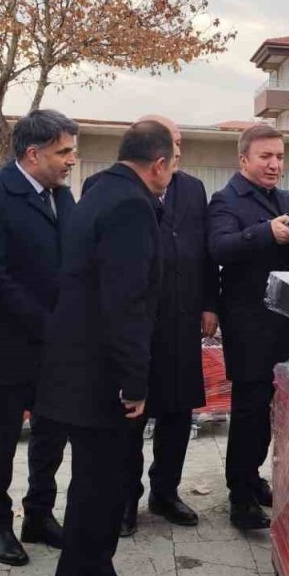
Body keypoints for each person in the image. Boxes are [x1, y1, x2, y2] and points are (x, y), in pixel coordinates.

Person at [33, 120, 174, 576]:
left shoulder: (100, 190)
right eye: (173, 162)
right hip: (100, 376)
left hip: (80, 365)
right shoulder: (131, 206)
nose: (171, 172)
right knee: (97, 487)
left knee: (108, 481)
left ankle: (99, 571)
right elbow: (125, 303)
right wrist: (133, 382)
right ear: (158, 164)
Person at [0, 109, 78, 566]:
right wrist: (46, 323)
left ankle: (40, 513)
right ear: (33, 154)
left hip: (58, 347)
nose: (71, 160)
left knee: (52, 433)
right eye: (63, 151)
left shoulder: (63, 197)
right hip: (10, 343)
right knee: (1, 437)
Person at [208, 124, 289, 530]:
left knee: (279, 410)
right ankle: (240, 497)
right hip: (249, 324)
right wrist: (266, 232)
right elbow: (219, 247)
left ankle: (255, 477)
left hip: (288, 322)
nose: (275, 164)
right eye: (265, 157)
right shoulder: (225, 200)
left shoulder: (284, 199)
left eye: (279, 156)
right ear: (244, 159)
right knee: (250, 411)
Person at [112, 114, 217, 537]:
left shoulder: (192, 189)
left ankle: (166, 491)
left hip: (182, 317)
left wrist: (210, 304)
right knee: (131, 418)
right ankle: (124, 499)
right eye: (167, 144)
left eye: (179, 143)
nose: (175, 152)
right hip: (140, 324)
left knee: (177, 414)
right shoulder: (122, 189)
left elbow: (206, 252)